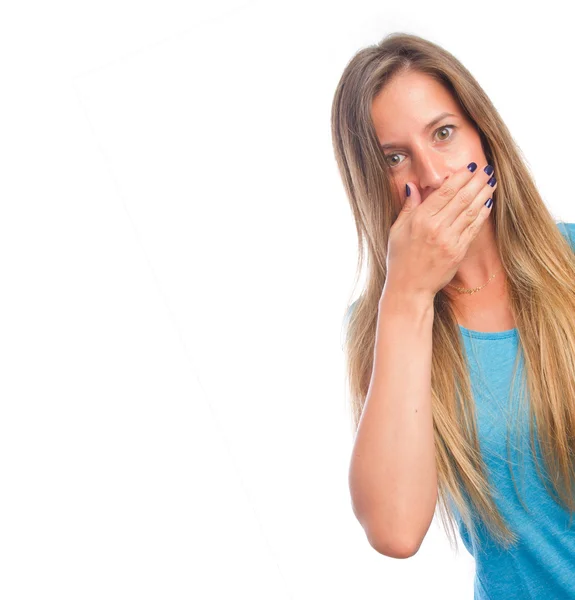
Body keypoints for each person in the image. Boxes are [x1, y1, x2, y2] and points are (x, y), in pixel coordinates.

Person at [332, 32, 575, 599]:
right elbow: (394, 528)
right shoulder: (384, 326)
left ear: (483, 137)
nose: (435, 175)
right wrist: (408, 298)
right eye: (395, 157)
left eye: (444, 133)